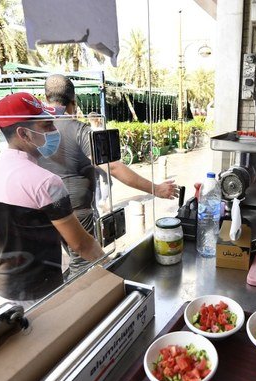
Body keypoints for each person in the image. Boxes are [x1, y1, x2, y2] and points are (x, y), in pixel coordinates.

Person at [0, 92, 105, 308]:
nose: (54, 131)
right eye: (47, 126)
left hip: (1, 290)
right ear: (23, 134)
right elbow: (81, 244)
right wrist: (111, 266)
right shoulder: (47, 182)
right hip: (42, 292)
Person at [39, 74, 179, 278]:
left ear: (46, 99)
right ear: (73, 102)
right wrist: (155, 189)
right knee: (83, 267)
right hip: (77, 213)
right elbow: (112, 167)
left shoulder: (34, 131)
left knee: (61, 265)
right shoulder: (80, 130)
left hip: (45, 212)